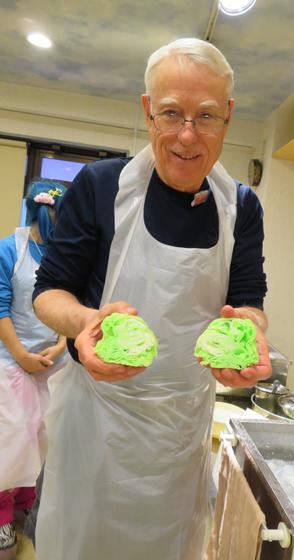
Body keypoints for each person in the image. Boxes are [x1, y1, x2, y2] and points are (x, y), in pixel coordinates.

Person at [32, 38, 271, 560]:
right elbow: (47, 293)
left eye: (205, 116)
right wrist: (85, 322)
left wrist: (251, 330)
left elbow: (248, 297)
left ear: (227, 118)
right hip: (96, 424)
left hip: (180, 431)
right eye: (171, 113)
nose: (187, 135)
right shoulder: (100, 186)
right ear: (147, 111)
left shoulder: (241, 207)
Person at [0, 180, 68, 559]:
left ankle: (26, 508)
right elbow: (0, 306)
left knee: (43, 445)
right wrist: (22, 356)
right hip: (10, 364)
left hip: (54, 366)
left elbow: (69, 302)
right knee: (7, 449)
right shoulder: (10, 248)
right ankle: (2, 519)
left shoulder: (65, 252)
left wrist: (59, 345)